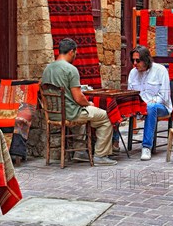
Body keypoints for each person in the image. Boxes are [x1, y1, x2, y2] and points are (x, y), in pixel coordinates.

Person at [41, 38, 117, 166]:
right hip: (70, 113)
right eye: (75, 53)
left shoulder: (47, 69)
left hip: (53, 114)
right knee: (106, 117)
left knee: (82, 114)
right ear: (71, 52)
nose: (75, 56)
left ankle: (80, 152)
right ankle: (100, 155)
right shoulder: (70, 69)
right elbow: (78, 97)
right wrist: (88, 104)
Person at [127, 45, 173, 161]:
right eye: (133, 60)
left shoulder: (160, 70)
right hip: (140, 106)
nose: (135, 63)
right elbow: (130, 94)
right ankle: (114, 143)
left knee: (151, 107)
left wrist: (146, 106)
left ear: (146, 60)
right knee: (117, 104)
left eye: (138, 60)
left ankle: (146, 146)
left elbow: (164, 97)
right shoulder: (133, 73)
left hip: (161, 106)